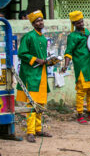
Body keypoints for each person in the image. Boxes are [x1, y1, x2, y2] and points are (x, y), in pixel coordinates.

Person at [16, 10, 52, 143]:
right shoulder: (29, 37)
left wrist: (49, 61)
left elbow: (42, 58)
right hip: (31, 75)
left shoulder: (42, 38)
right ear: (33, 23)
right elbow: (22, 54)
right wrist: (36, 60)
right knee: (32, 104)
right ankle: (30, 132)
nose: (40, 22)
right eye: (37, 20)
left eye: (41, 19)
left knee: (41, 104)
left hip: (41, 75)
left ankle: (38, 129)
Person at [61, 11, 90, 125]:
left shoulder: (88, 32)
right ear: (74, 24)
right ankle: (79, 114)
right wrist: (65, 65)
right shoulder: (72, 36)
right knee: (81, 91)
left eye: (82, 21)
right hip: (82, 66)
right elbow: (68, 52)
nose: (81, 23)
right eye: (78, 22)